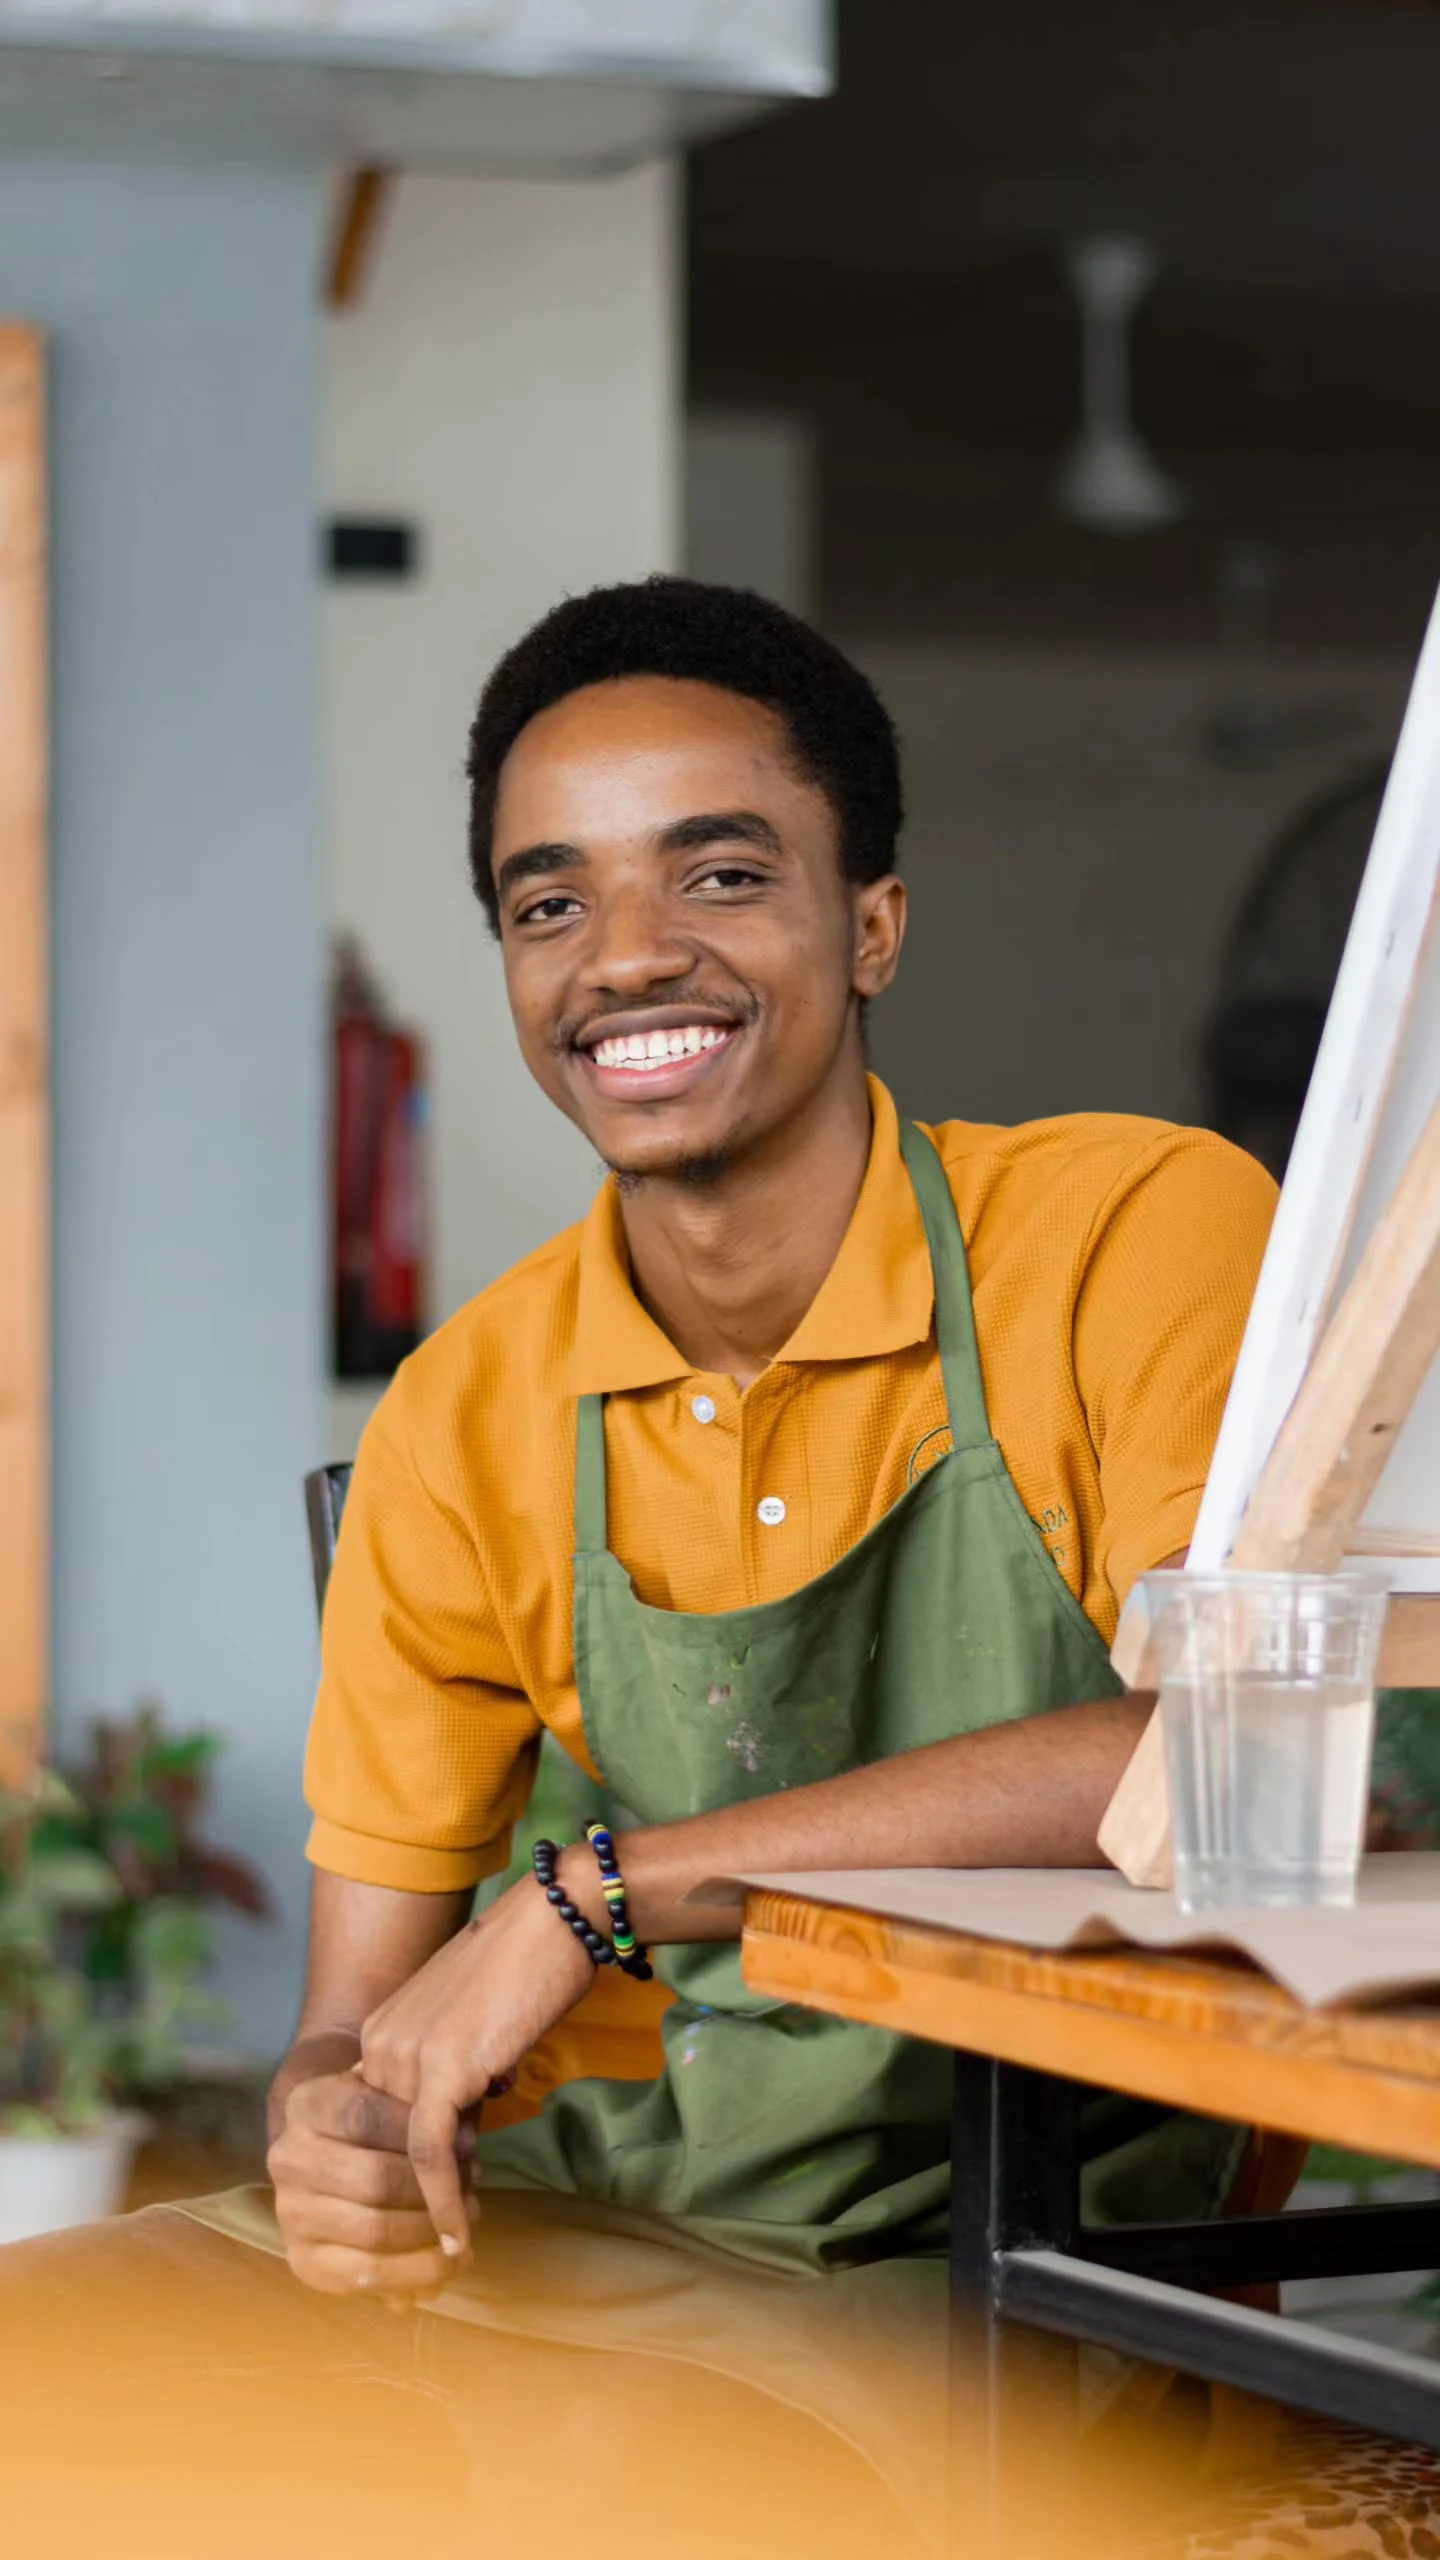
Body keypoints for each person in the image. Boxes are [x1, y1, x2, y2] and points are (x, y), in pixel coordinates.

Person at [0, 577, 1278, 2559]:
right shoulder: (470, 1408)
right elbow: (349, 2016)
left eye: (720, 871)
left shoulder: (1130, 1231)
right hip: (557, 2234)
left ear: (872, 924)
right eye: (549, 900)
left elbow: (1234, 1746)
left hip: (983, 2283)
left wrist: (601, 1891)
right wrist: (335, 2129)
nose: (627, 957)